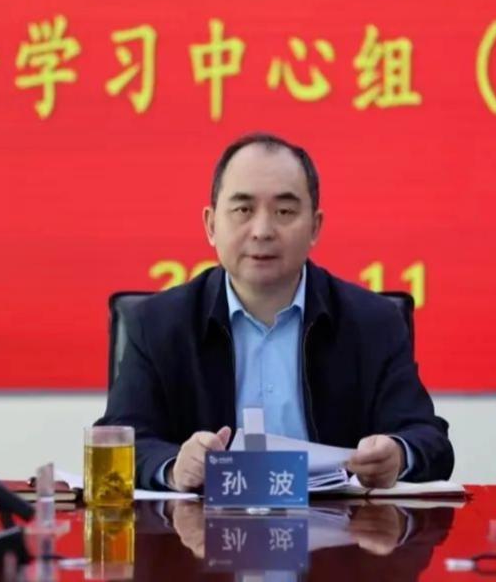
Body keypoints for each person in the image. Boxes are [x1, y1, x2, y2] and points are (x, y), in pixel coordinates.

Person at [97, 133, 454, 491]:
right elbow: (118, 440)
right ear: (211, 225)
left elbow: (429, 439)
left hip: (340, 524)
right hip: (200, 524)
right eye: (243, 210)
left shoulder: (373, 323)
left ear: (315, 227)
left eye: (284, 212)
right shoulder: (157, 324)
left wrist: (398, 454)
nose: (262, 231)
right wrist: (175, 467)